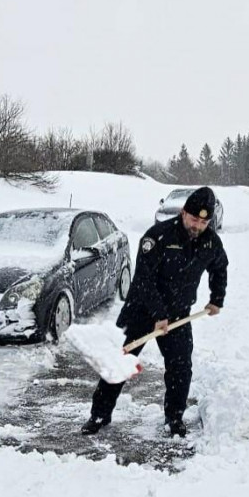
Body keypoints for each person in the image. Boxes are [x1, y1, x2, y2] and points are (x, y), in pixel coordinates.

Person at [81, 186, 229, 437]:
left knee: (181, 369)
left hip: (179, 314)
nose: (198, 226)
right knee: (119, 361)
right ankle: (99, 415)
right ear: (183, 213)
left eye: (204, 222)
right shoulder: (158, 237)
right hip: (142, 310)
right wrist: (159, 314)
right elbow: (143, 280)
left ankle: (174, 418)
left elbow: (220, 267)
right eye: (194, 219)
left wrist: (217, 298)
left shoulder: (210, 242)